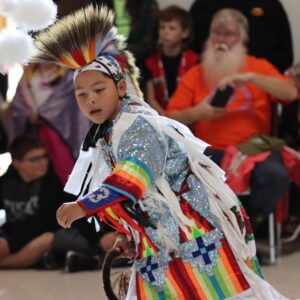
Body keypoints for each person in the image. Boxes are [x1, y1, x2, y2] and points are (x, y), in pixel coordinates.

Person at [32, 4, 288, 299]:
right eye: (82, 94)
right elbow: (143, 194)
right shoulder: (109, 130)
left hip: (197, 234)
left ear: (120, 87)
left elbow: (133, 175)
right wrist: (127, 232)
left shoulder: (137, 124)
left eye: (99, 89)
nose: (90, 100)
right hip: (163, 241)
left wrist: (83, 206)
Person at [167, 9, 297, 229]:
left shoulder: (258, 67)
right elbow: (169, 117)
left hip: (253, 150)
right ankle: (223, 231)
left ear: (243, 39)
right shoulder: (197, 72)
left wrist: (251, 77)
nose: (221, 40)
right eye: (216, 33)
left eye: (229, 34)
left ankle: (247, 228)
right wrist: (199, 112)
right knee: (181, 177)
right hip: (208, 151)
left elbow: (291, 93)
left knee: (275, 174)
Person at [8, 62, 90, 184]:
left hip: (60, 134)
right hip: (33, 132)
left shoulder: (67, 76)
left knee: (63, 168)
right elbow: (17, 103)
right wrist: (26, 113)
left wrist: (43, 114)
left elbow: (71, 106)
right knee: (36, 168)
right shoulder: (28, 75)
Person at [0, 135, 62, 268]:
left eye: (44, 157)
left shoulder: (51, 182)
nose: (42, 163)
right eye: (34, 159)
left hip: (41, 233)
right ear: (17, 164)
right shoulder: (6, 182)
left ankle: (5, 264)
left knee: (46, 239)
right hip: (13, 231)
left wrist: (10, 243)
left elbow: (44, 223)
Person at [190, 0, 293, 72]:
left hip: (260, 86)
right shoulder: (202, 6)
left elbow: (284, 54)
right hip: (209, 84)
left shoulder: (270, 5)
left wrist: (266, 79)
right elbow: (191, 51)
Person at [144, 5, 198, 115]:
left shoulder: (194, 61)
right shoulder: (150, 62)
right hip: (160, 118)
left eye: (172, 28)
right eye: (162, 27)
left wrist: (180, 117)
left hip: (187, 118)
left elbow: (197, 96)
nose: (165, 32)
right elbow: (150, 98)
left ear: (185, 33)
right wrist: (166, 118)